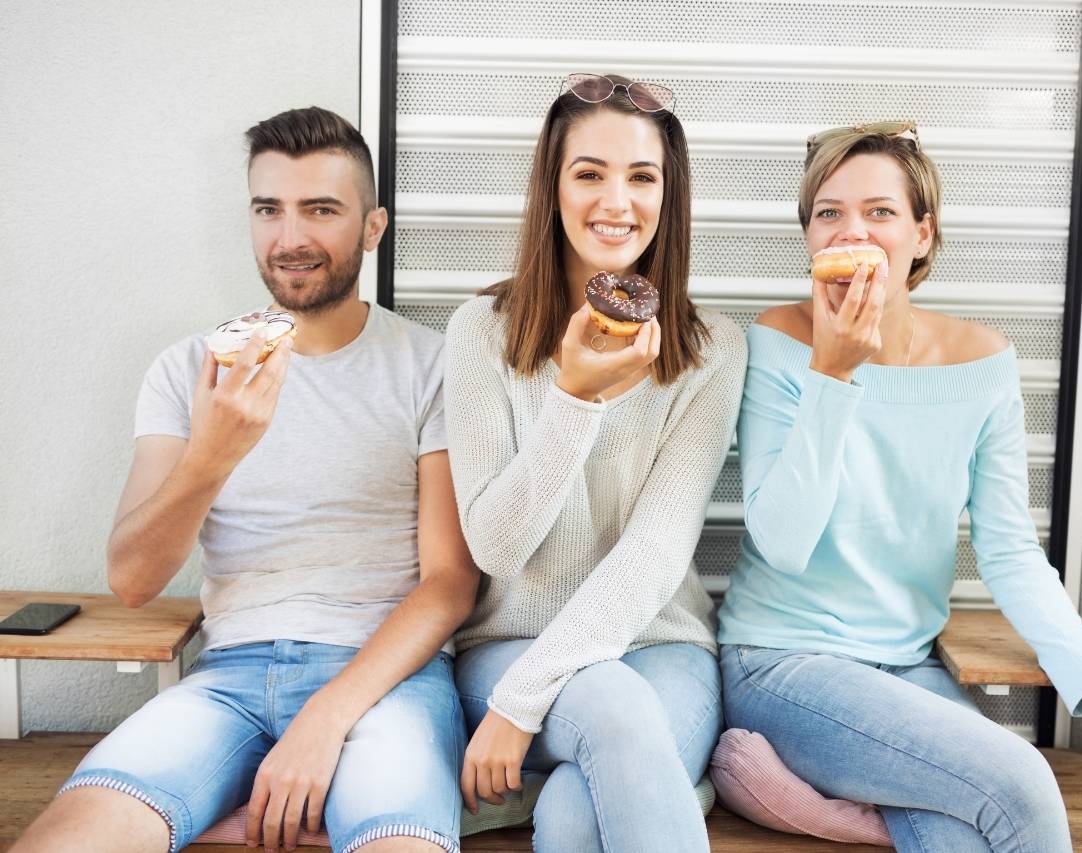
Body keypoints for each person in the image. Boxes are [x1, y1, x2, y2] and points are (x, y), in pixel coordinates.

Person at [715, 122, 1082, 853]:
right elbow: (782, 544)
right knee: (1020, 780)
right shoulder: (779, 341)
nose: (854, 230)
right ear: (810, 238)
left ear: (923, 234)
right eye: (828, 212)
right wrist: (833, 372)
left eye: (880, 211)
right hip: (780, 662)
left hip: (907, 664)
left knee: (959, 826)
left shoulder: (985, 361)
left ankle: (822, 812)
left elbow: (1008, 552)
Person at [14, 107, 478, 853]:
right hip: (227, 678)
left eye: (320, 210)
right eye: (269, 210)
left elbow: (451, 582)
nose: (290, 238)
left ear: (372, 226)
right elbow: (132, 579)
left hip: (387, 683)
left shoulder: (433, 367)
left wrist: (325, 718)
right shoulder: (186, 370)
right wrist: (213, 451)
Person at [443, 73, 746, 853]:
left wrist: (522, 709)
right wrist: (575, 400)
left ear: (668, 196)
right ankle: (674, 787)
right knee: (611, 708)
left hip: (661, 645)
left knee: (579, 813)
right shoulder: (481, 331)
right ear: (552, 186)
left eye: (642, 177)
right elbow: (496, 548)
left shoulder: (712, 349)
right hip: (508, 643)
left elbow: (654, 556)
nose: (617, 201)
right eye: (590, 173)